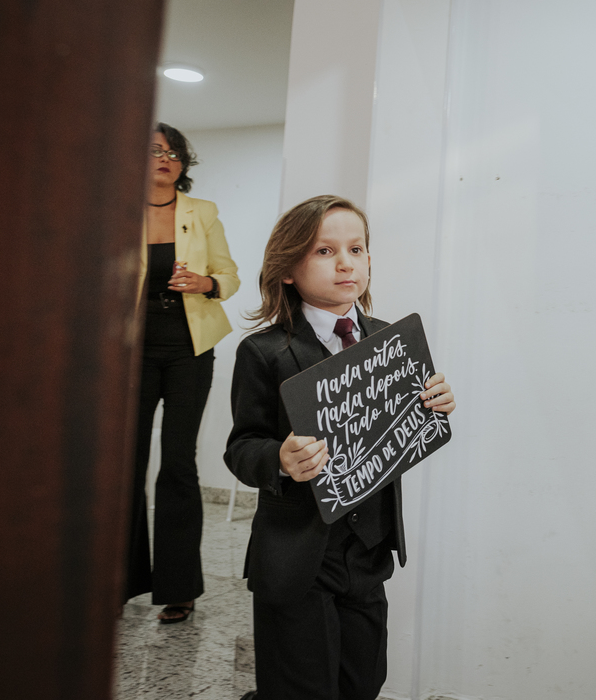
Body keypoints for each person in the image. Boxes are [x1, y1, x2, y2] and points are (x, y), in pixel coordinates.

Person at [225, 195, 455, 700]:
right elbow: (242, 447)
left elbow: (400, 430)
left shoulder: (391, 341)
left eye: (356, 248)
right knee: (301, 688)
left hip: (367, 554)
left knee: (362, 682)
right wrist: (279, 459)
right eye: (324, 251)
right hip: (298, 557)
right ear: (288, 269)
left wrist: (432, 404)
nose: (346, 263)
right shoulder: (264, 351)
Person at [126, 122, 240, 622]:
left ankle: (179, 587)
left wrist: (204, 282)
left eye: (174, 153)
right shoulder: (118, 211)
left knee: (177, 462)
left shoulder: (202, 212)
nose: (165, 158)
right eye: (155, 150)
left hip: (189, 348)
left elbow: (230, 277)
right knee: (125, 464)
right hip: (131, 349)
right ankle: (119, 581)